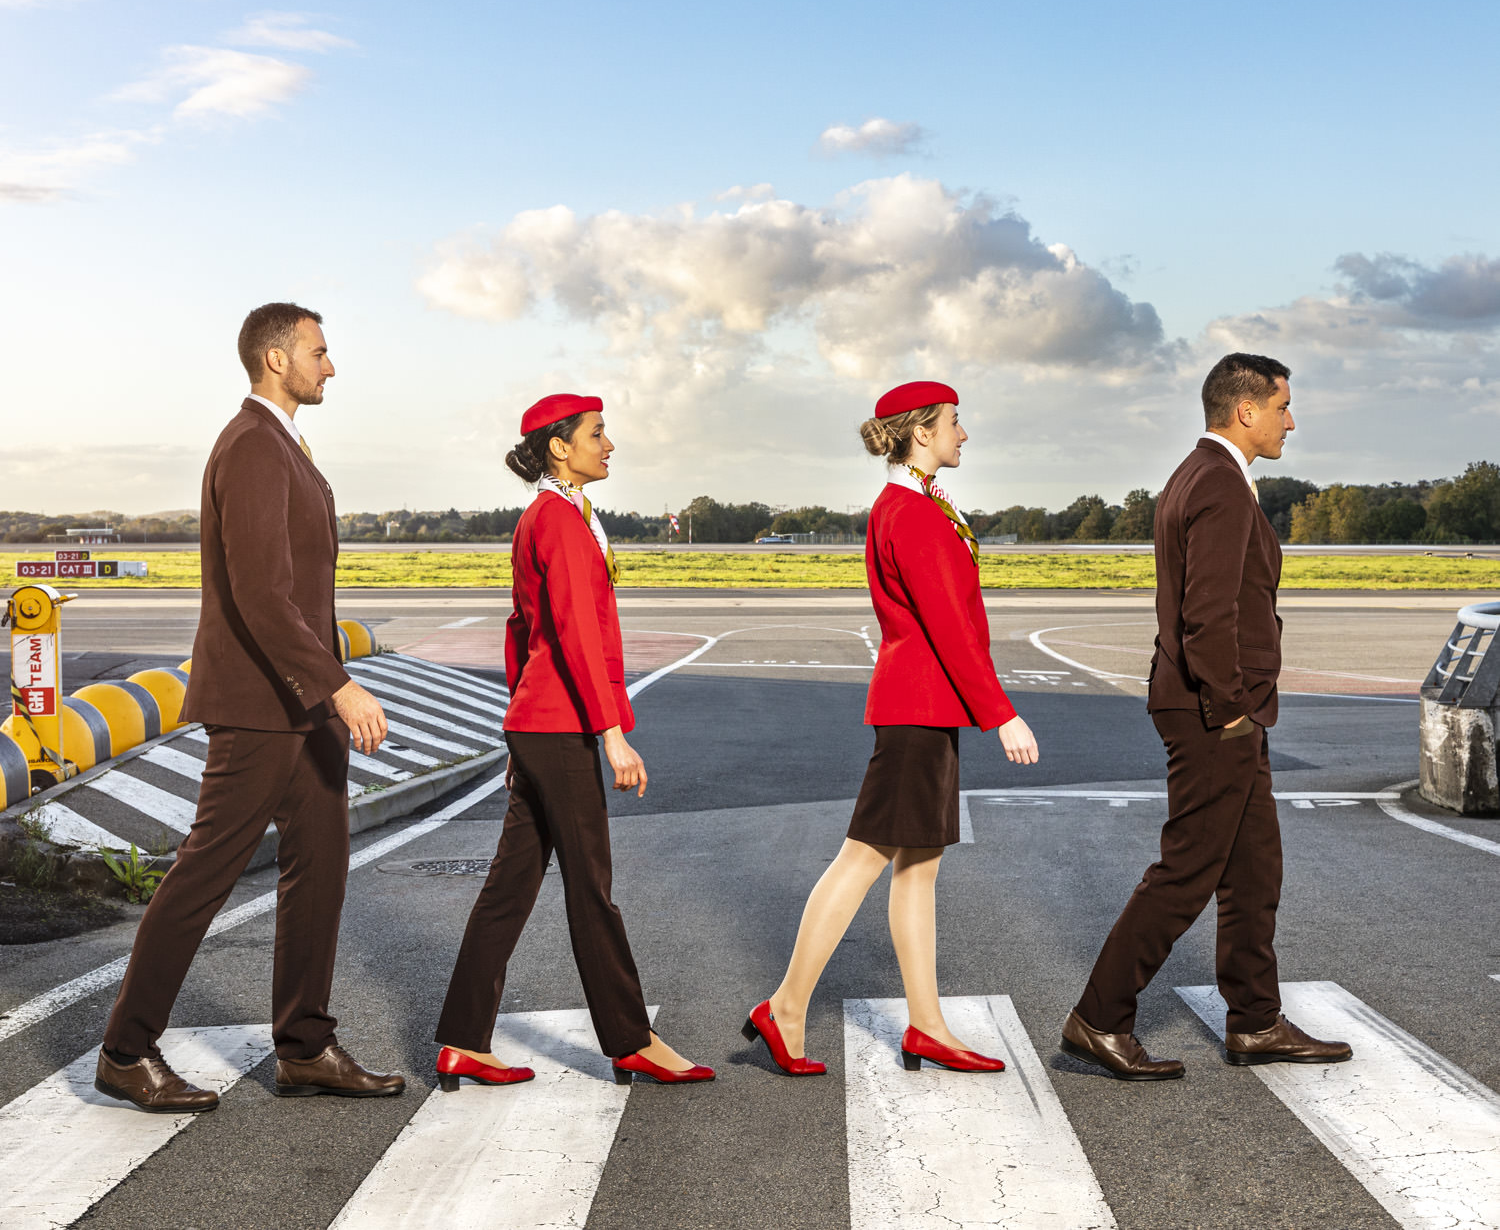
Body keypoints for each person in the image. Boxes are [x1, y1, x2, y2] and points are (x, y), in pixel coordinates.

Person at [97, 303, 403, 1112]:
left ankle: (304, 1046)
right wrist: (339, 682)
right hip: (263, 704)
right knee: (206, 872)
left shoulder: (284, 446)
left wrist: (324, 693)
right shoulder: (253, 446)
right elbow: (263, 596)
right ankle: (126, 1053)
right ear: (276, 358)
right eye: (320, 352)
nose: (331, 366)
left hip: (300, 709)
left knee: (323, 865)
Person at [1061, 353, 1352, 1080]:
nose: (1292, 419)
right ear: (1245, 410)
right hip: (1212, 710)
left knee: (1255, 869)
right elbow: (1207, 615)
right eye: (1283, 405)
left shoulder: (1198, 473)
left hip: (1219, 707)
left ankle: (1255, 1021)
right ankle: (1099, 1018)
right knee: (1188, 869)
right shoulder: (1220, 484)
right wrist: (1231, 712)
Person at [743, 381, 1039, 1076]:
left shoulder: (920, 504)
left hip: (926, 709)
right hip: (917, 708)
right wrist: (1002, 713)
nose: (963, 435)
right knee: (864, 858)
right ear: (921, 432)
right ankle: (785, 1008)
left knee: (919, 866)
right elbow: (949, 626)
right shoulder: (909, 512)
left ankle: (927, 1026)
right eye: (955, 423)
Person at [432, 394, 713, 1089]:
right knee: (592, 888)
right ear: (560, 446)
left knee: (510, 887)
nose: (608, 444)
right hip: (559, 726)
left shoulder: (563, 515)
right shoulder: (557, 520)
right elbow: (575, 635)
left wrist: (517, 724)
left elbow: (522, 632)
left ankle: (464, 1039)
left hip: (541, 723)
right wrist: (612, 734)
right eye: (597, 433)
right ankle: (630, 1040)